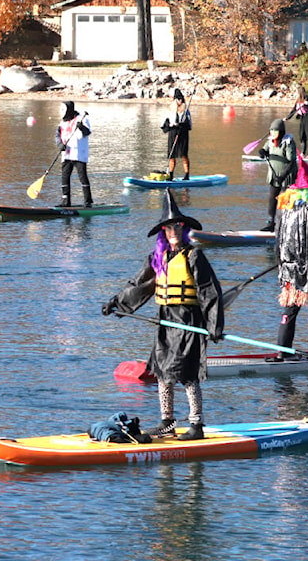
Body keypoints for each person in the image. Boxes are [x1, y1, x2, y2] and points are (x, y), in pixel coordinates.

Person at [102, 189, 224, 441]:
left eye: (178, 227)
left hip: (189, 320)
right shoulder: (158, 258)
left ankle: (196, 424)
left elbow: (209, 291)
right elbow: (138, 284)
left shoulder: (194, 256)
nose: (174, 232)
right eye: (169, 228)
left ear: (184, 229)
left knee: (187, 373)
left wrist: (214, 325)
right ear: (163, 232)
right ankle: (167, 421)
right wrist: (115, 302)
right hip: (166, 319)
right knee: (161, 371)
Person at [268, 157, 308, 361]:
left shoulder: (283, 211)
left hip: (289, 268)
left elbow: (278, 237)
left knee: (290, 309)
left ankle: (282, 351)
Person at [257, 118, 297, 232]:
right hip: (273, 176)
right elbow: (264, 150)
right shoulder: (270, 141)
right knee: (272, 199)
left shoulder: (288, 143)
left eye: (276, 130)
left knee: (285, 200)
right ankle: (270, 222)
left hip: (286, 177)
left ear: (281, 132)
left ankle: (286, 223)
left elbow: (292, 161)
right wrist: (262, 152)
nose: (274, 133)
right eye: (272, 130)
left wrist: (283, 175)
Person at [54, 100, 93, 207]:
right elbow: (57, 136)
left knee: (82, 177)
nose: (62, 112)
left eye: (64, 109)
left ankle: (88, 201)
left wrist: (81, 127)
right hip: (66, 154)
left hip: (79, 154)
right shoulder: (62, 122)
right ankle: (65, 201)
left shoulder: (81, 118)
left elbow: (87, 132)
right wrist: (60, 144)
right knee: (65, 177)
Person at [161, 89, 192, 180]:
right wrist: (170, 126)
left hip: (182, 134)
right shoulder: (170, 111)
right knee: (171, 155)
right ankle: (170, 175)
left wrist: (181, 125)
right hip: (173, 133)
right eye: (178, 99)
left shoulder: (186, 112)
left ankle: (186, 175)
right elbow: (166, 122)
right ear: (175, 100)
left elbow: (189, 125)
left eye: (181, 99)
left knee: (183, 155)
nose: (180, 101)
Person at [285, 85, 308, 157]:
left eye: (297, 92)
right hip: (302, 118)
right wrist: (287, 118)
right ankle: (302, 153)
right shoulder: (298, 100)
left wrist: (307, 104)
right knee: (301, 136)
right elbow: (294, 110)